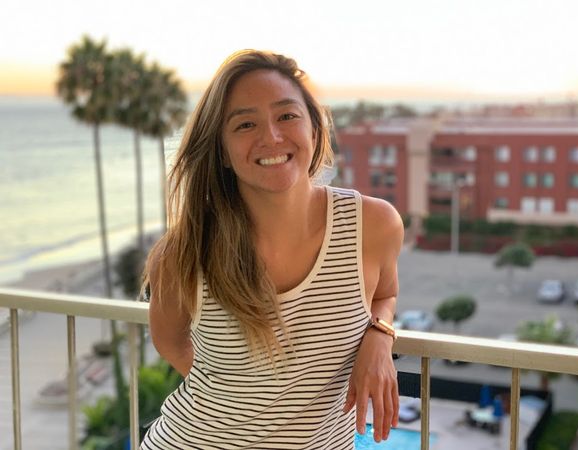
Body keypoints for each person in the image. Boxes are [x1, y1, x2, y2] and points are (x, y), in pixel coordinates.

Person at [140, 49, 404, 450]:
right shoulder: (186, 251)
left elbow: (385, 294)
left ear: (314, 129)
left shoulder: (373, 225)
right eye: (245, 124)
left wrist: (380, 335)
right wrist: (248, 404)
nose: (272, 137)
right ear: (222, 151)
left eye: (287, 116)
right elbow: (170, 342)